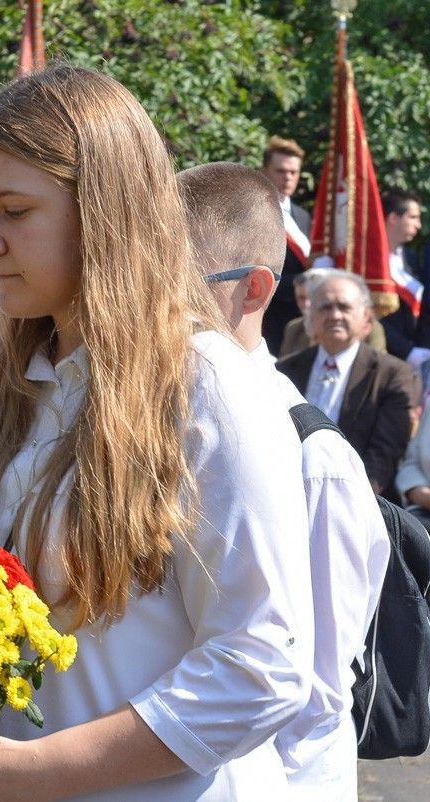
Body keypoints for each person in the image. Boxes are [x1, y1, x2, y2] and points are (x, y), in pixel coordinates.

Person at [0, 66, 314, 802]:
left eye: (14, 210)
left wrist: (17, 773)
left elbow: (261, 665)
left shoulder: (208, 387)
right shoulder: (7, 388)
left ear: (106, 211)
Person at [178, 161, 389, 801]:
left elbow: (318, 685)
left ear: (254, 290)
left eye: (182, 286)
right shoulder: (173, 414)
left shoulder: (313, 452)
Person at [276, 272, 421, 499]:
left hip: (360, 501)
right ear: (311, 318)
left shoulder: (392, 374)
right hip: (287, 494)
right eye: (325, 307)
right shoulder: (284, 371)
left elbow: (384, 455)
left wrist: (348, 502)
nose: (335, 315)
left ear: (366, 319)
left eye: (344, 307)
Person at [260, 135, 312, 354]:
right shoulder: (257, 213)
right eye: (280, 171)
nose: (288, 178)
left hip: (305, 320)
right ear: (265, 170)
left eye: (294, 172)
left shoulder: (303, 216)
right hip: (273, 319)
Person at [278, 268, 386, 359]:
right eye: (301, 298)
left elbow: (377, 365)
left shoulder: (369, 328)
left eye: (310, 298)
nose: (306, 304)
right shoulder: (294, 329)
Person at [378, 189, 427, 366]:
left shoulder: (411, 257)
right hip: (384, 355)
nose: (419, 225)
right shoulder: (368, 261)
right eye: (413, 217)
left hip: (417, 351)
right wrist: (406, 350)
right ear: (393, 218)